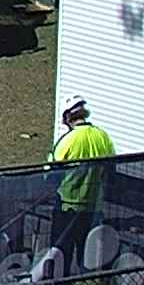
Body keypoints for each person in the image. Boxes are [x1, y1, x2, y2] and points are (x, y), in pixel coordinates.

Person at [52, 98, 116, 273]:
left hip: (67, 207)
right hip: (93, 208)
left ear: (67, 118)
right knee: (88, 257)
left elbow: (51, 173)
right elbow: (111, 170)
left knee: (60, 256)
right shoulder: (102, 137)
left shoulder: (67, 140)